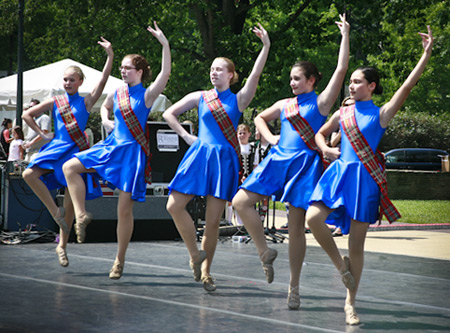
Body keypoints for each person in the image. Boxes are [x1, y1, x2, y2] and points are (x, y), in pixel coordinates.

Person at [305, 26, 433, 325]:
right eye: (350, 82)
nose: (351, 86)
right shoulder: (343, 113)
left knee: (357, 245)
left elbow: (407, 86)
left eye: (357, 82)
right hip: (338, 174)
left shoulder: (381, 114)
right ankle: (341, 266)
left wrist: (425, 56)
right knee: (313, 218)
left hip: (364, 181)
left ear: (372, 86)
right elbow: (319, 135)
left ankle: (350, 303)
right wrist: (327, 150)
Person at [232, 14, 350, 310]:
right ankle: (264, 252)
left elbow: (341, 69)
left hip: (303, 166)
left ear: (311, 81)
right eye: (291, 78)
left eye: (297, 78)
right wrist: (269, 138)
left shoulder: (320, 103)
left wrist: (345, 35)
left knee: (296, 229)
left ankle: (293, 287)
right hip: (277, 160)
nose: (292, 82)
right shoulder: (285, 104)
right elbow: (259, 117)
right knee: (240, 202)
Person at [163, 23, 270, 292]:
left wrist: (265, 47)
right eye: (212, 69)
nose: (214, 72)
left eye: (219, 69)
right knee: (173, 205)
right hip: (199, 155)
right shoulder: (200, 97)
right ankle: (194, 255)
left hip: (223, 161)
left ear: (231, 76)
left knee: (212, 223)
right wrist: (188, 137)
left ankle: (207, 271)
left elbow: (256, 75)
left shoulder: (239, 100)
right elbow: (169, 114)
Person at [63, 22, 171, 279]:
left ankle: (119, 261)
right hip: (111, 146)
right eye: (121, 67)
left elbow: (165, 74)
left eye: (127, 68)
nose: (123, 71)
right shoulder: (119, 91)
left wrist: (165, 45)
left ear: (140, 71)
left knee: (123, 210)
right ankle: (81, 214)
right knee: (70, 167)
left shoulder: (146, 95)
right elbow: (105, 106)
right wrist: (105, 119)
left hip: (130, 154)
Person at [22, 37, 114, 268]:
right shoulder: (56, 101)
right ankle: (55, 212)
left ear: (80, 82)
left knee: (73, 204)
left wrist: (110, 56)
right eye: (65, 80)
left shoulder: (85, 102)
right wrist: (42, 136)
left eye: (72, 80)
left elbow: (103, 81)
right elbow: (26, 115)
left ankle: (62, 246)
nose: (67, 83)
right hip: (57, 147)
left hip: (75, 152)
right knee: (29, 174)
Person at [329, 96, 355, 237]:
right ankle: (340, 225)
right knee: (339, 195)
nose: (348, 108)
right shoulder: (338, 122)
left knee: (351, 194)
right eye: (346, 106)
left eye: (351, 105)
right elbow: (332, 142)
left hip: (354, 164)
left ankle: (350, 224)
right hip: (340, 161)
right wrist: (341, 131)